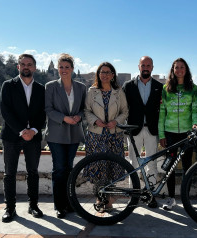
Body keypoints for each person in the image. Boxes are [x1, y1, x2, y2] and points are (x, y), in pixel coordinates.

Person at [0, 54, 46, 222]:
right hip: (11, 136)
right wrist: (21, 130)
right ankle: (10, 208)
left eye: (29, 64)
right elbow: (5, 110)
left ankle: (33, 206)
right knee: (9, 173)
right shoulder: (8, 86)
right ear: (18, 67)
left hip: (33, 136)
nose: (26, 66)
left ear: (34, 67)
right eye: (23, 64)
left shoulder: (41, 89)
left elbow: (43, 113)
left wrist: (33, 130)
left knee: (33, 172)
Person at [45, 53, 87, 218]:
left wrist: (79, 116)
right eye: (61, 67)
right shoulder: (50, 86)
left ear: (72, 69)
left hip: (74, 134)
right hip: (56, 134)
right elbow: (48, 109)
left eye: (67, 67)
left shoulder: (81, 87)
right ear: (57, 69)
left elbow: (85, 109)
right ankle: (59, 205)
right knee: (59, 170)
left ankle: (69, 203)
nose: (64, 70)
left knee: (69, 170)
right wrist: (64, 118)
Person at [83, 62, 129, 211]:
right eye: (102, 72)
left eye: (108, 72)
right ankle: (99, 198)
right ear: (98, 74)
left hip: (114, 135)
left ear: (113, 75)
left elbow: (125, 111)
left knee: (112, 167)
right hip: (96, 135)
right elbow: (86, 110)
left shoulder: (118, 92)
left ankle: (108, 199)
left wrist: (116, 121)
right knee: (99, 168)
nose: (105, 74)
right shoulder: (92, 91)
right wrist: (95, 121)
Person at [158, 58, 197, 210]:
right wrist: (161, 134)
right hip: (170, 133)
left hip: (187, 133)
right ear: (173, 70)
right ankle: (170, 198)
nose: (179, 70)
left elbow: (195, 110)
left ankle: (186, 198)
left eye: (182, 67)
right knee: (170, 166)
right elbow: (162, 113)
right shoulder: (166, 88)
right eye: (177, 67)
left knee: (188, 166)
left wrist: (195, 123)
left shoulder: (193, 88)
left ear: (186, 70)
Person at [122, 56, 163, 208]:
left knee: (151, 163)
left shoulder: (159, 86)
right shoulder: (128, 85)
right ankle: (133, 195)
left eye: (148, 65)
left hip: (152, 129)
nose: (146, 67)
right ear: (138, 66)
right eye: (143, 65)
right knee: (133, 163)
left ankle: (150, 194)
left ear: (152, 67)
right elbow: (123, 108)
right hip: (134, 129)